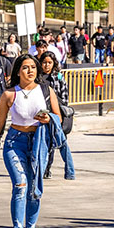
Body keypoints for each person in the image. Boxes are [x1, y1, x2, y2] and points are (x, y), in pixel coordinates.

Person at [0, 54, 63, 228]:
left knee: (34, 191)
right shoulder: (9, 94)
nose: (30, 71)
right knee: (20, 185)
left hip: (38, 144)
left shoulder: (45, 90)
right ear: (18, 71)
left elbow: (58, 117)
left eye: (33, 67)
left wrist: (48, 119)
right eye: (26, 68)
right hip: (14, 143)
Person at [38, 52, 75, 180]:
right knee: (45, 143)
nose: (46, 65)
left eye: (49, 62)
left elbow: (64, 95)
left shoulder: (58, 76)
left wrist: (61, 111)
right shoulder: (38, 77)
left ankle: (65, 170)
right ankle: (45, 168)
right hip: (42, 113)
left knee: (58, 143)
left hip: (56, 115)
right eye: (44, 62)